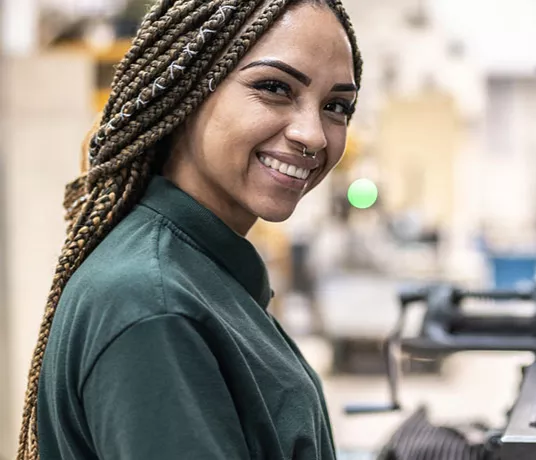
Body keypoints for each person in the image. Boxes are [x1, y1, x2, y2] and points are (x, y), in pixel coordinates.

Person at [18, 1, 362, 459]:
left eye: (336, 106)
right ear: (186, 89)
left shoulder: (202, 275)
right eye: (275, 88)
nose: (314, 135)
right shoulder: (152, 302)